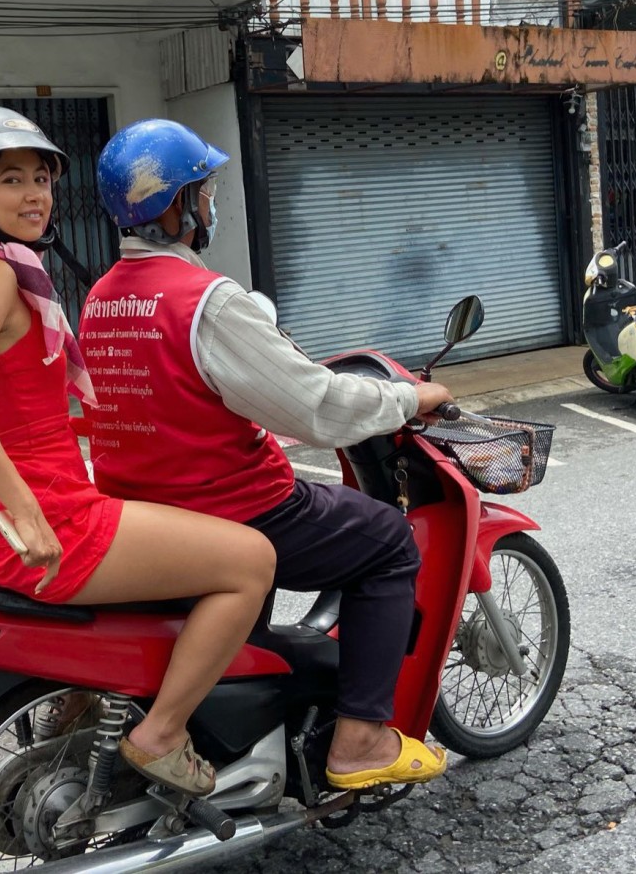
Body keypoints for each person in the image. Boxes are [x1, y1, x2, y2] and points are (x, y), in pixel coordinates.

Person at [0, 106, 275, 798]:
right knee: (251, 562)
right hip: (43, 522)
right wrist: (27, 513)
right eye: (11, 180)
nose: (35, 196)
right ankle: (162, 734)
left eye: (42, 179)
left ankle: (88, 694)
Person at [79, 118, 457, 792]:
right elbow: (314, 407)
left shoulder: (101, 299)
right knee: (387, 540)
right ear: (175, 204)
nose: (211, 203)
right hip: (236, 507)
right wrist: (408, 397)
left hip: (143, 513)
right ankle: (361, 741)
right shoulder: (207, 302)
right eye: (204, 190)